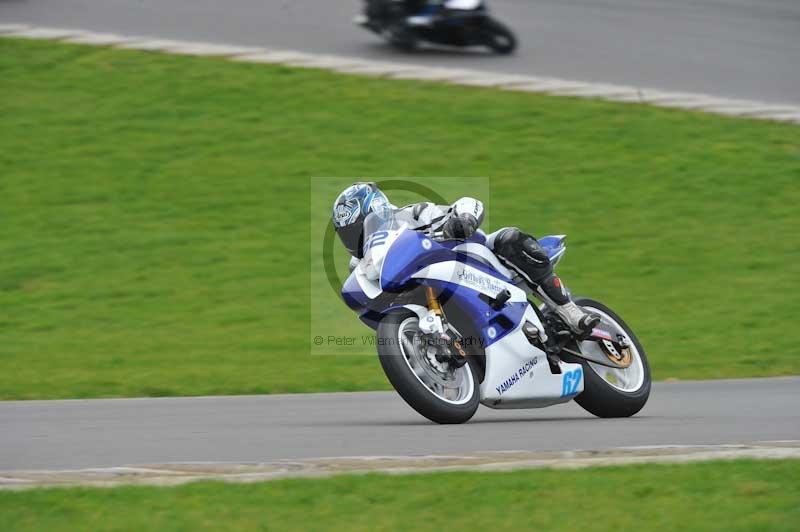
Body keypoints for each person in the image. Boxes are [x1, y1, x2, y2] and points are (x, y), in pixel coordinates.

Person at [332, 182, 600, 336]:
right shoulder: (363, 267)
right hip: (429, 296)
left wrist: (461, 218)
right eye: (347, 234)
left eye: (355, 229)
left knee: (507, 239)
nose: (352, 238)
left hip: (471, 258)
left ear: (376, 210)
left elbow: (465, 204)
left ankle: (568, 310)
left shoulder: (410, 214)